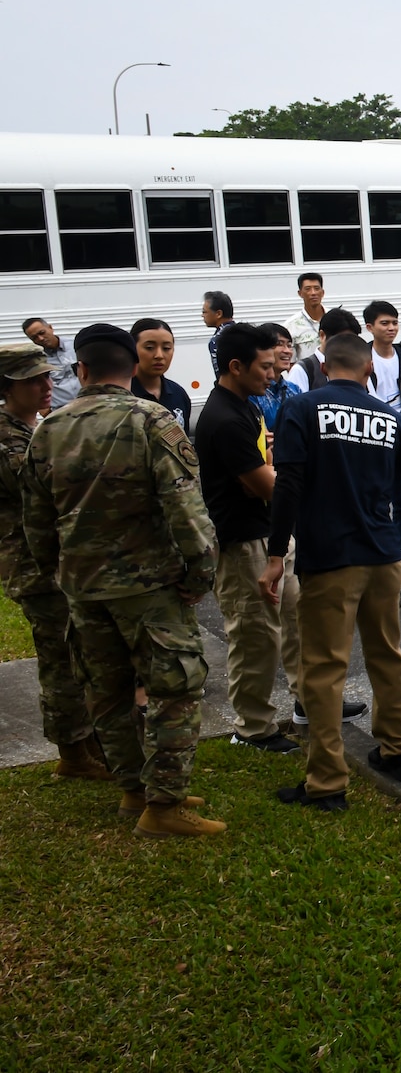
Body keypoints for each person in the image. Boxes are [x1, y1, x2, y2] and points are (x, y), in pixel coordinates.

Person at [22, 324, 222, 837]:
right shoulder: (150, 420)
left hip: (83, 588)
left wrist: (59, 574)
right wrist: (200, 574)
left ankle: (135, 790)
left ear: (81, 370)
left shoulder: (48, 429)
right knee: (173, 689)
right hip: (148, 586)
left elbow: (37, 521)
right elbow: (186, 508)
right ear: (132, 367)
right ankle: (165, 806)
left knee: (106, 692)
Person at [262, 333, 401, 813]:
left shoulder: (302, 409)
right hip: (385, 555)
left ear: (324, 365)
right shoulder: (387, 416)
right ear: (369, 369)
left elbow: (289, 485)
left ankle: (326, 783)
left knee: (324, 669)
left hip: (330, 559)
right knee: (388, 654)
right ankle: (399, 751)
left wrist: (275, 553)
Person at [195, 324, 307, 754]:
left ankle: (307, 703)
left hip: (273, 535)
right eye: (263, 366)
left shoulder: (248, 407)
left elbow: (268, 466)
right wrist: (305, 487)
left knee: (297, 624)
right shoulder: (223, 418)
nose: (271, 373)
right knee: (255, 636)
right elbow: (265, 485)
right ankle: (254, 727)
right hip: (245, 543)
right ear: (236, 366)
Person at [0, 345, 107, 779]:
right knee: (61, 661)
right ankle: (74, 755)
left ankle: (87, 741)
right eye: (34, 381)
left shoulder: (33, 428)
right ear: (8, 388)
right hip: (37, 568)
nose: (47, 387)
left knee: (80, 655)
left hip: (60, 563)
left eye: (47, 378)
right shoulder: (8, 438)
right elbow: (49, 484)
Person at [362, 300, 401, 547]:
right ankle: (382, 547)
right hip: (374, 432)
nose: (391, 328)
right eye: (384, 323)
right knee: (377, 497)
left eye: (395, 323)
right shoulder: (363, 357)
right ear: (369, 327)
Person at [128, 317, 192, 428]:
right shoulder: (123, 396)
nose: (159, 355)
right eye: (149, 347)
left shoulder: (179, 394)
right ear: (133, 349)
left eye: (166, 348)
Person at [292, 307, 364, 393]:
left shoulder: (358, 367)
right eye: (340, 340)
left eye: (351, 340)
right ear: (322, 336)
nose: (346, 346)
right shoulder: (302, 370)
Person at [21, 318, 80, 409]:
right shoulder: (36, 360)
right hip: (61, 410)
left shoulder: (76, 345)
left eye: (41, 333)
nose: (40, 338)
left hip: (87, 403)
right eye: (34, 337)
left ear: (50, 328)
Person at [253, 323, 302, 431]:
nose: (287, 351)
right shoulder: (253, 392)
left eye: (289, 345)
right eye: (280, 344)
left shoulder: (295, 390)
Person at [280, 271, 327, 359]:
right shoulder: (291, 325)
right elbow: (290, 362)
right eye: (308, 289)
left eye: (317, 288)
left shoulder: (336, 318)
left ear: (322, 292)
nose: (313, 293)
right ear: (300, 293)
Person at [199, 289, 235, 375]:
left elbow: (221, 376)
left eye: (204, 312)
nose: (202, 315)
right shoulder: (244, 332)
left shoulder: (218, 340)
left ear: (218, 314)